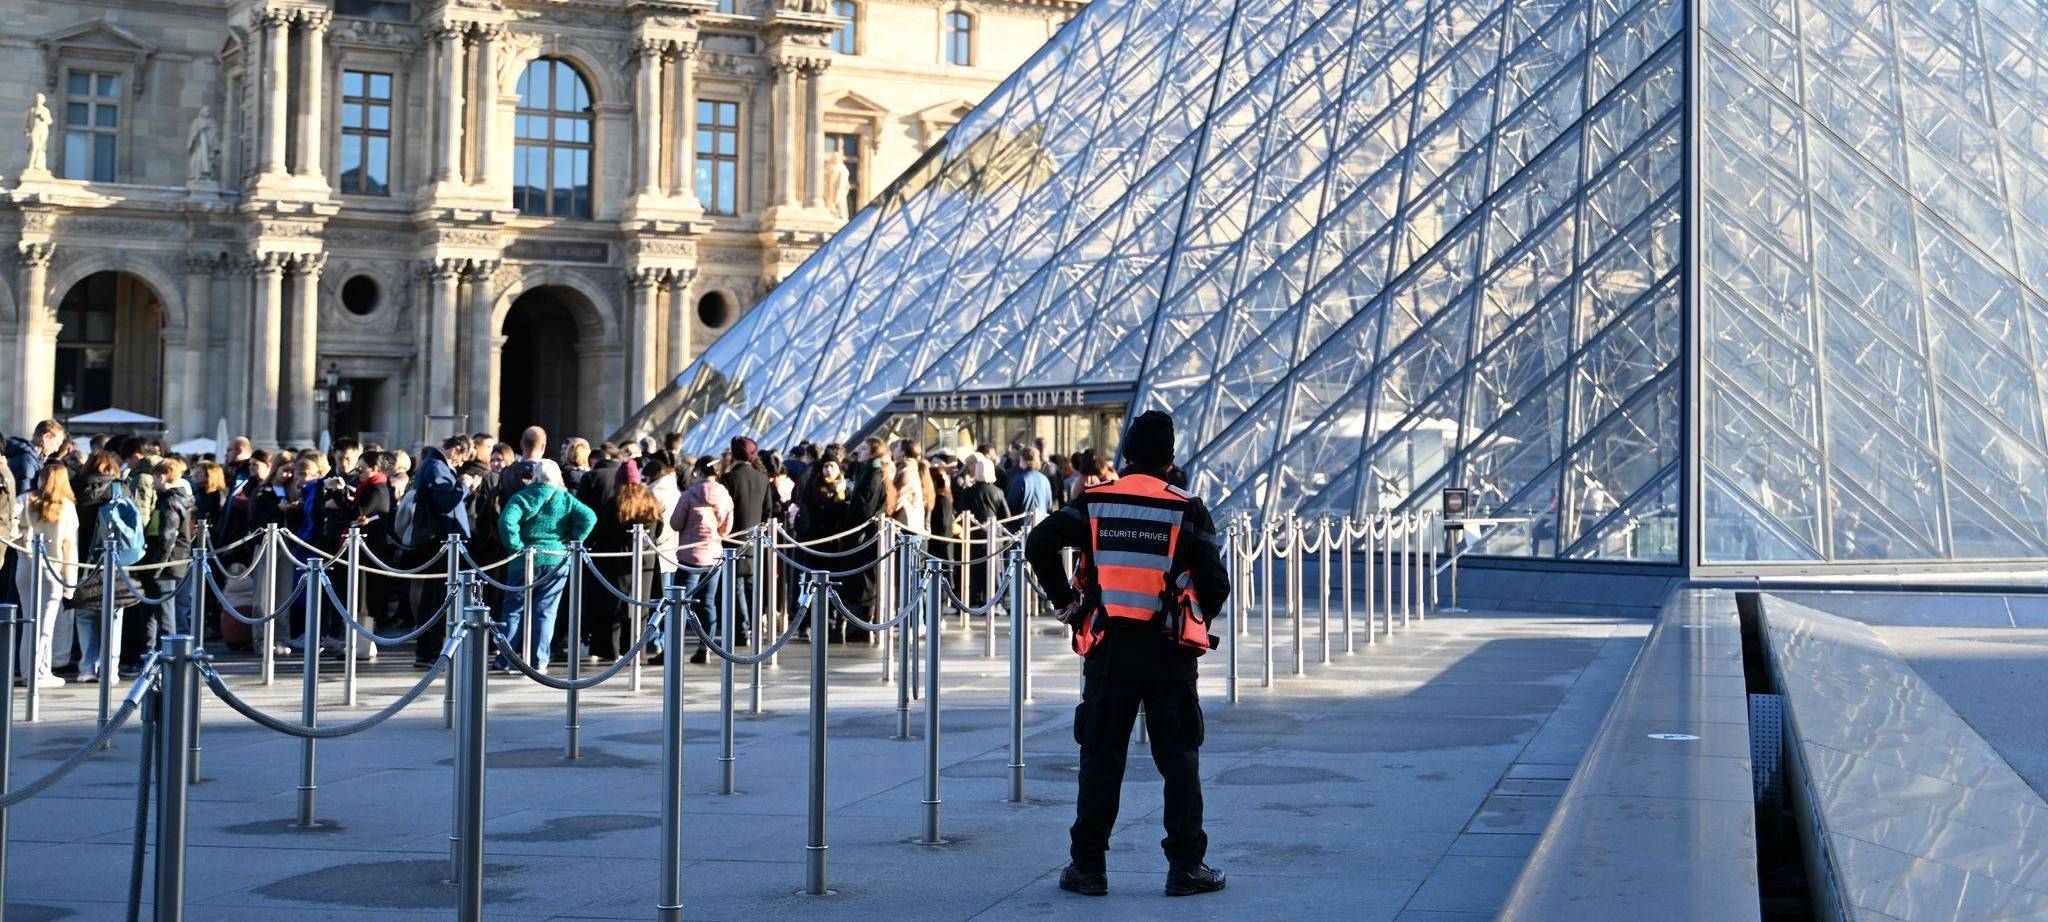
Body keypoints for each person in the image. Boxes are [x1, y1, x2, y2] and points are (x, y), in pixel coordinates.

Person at [1024, 411, 1230, 898]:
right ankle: (1186, 867)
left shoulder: (1095, 502)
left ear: (1127, 455)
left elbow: (1039, 542)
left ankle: (1088, 867)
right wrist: (1191, 614)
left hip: (1109, 650)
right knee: (1179, 760)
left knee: (1101, 758)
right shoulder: (1187, 508)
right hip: (1168, 653)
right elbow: (1216, 585)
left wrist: (1069, 605)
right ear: (1171, 459)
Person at [497, 460, 595, 671]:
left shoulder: (522, 497)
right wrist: (573, 539)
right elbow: (589, 517)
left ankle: (506, 659)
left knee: (513, 609)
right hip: (556, 558)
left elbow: (506, 521)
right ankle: (539, 659)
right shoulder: (565, 498)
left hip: (522, 560)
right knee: (546, 611)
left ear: (535, 475)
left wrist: (516, 545)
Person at [409, 437, 473, 669]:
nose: (461, 463)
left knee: (433, 594)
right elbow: (446, 501)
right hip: (437, 539)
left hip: (435, 538)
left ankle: (429, 648)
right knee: (435, 596)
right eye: (462, 457)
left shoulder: (431, 464)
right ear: (456, 450)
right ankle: (429, 649)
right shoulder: (436, 466)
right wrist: (464, 484)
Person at [14, 465, 77, 687]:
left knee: (29, 620)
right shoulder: (66, 507)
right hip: (52, 569)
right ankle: (41, 671)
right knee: (45, 624)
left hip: (25, 566)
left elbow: (10, 527)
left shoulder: (25, 499)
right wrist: (70, 583)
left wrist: (22, 540)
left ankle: (27, 670)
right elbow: (70, 548)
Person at [69, 450, 127, 683]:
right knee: (113, 613)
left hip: (81, 557)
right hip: (113, 556)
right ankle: (110, 668)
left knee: (85, 613)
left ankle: (86, 667)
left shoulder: (75, 487)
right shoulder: (119, 488)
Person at [670, 456, 733, 663]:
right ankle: (705, 646)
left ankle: (674, 645)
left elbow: (675, 523)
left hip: (689, 556)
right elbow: (726, 529)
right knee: (708, 602)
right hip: (714, 555)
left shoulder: (689, 495)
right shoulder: (724, 495)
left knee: (681, 602)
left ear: (697, 471)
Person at [136, 457, 196, 660]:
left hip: (166, 565)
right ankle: (152, 652)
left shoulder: (169, 503)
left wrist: (157, 567)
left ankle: (169, 656)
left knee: (165, 612)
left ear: (162, 476)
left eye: (154, 478)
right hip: (173, 562)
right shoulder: (177, 500)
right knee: (160, 610)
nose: (152, 483)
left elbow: (167, 538)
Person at [844, 438, 890, 643]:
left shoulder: (872, 475)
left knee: (862, 582)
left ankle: (860, 627)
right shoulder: (871, 473)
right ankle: (860, 625)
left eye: (863, 449)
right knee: (863, 581)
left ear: (873, 452)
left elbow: (863, 508)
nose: (859, 452)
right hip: (865, 535)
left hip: (862, 536)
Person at [956, 454, 1011, 607]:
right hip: (993, 536)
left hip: (972, 535)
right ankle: (993, 601)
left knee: (973, 569)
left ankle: (972, 599)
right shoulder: (998, 492)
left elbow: (960, 511)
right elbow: (1006, 516)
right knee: (993, 570)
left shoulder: (968, 492)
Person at [1008, 446, 1055, 522]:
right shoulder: (1045, 479)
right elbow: (1049, 506)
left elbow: (1012, 505)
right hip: (1041, 524)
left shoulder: (1020, 479)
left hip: (1023, 526)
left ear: (1023, 460)